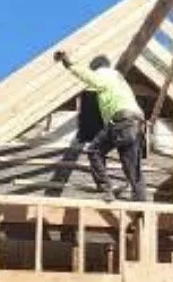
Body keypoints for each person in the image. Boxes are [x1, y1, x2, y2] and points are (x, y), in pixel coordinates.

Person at [54, 48, 147, 201]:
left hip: (121, 121)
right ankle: (141, 205)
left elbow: (89, 77)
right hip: (136, 124)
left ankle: (106, 189)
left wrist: (68, 63)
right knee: (132, 168)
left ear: (96, 67)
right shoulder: (119, 79)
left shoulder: (104, 74)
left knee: (94, 151)